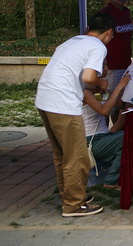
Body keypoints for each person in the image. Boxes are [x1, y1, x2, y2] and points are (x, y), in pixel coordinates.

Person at [35, 12, 114, 217]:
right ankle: (74, 205)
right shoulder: (98, 46)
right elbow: (89, 77)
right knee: (77, 156)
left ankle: (70, 195)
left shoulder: (72, 41)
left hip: (44, 99)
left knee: (61, 155)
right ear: (109, 32)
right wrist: (101, 83)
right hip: (63, 104)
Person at [82, 66, 130, 190]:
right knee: (126, 137)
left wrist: (122, 90)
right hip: (90, 141)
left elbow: (120, 105)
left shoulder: (98, 90)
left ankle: (118, 176)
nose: (107, 68)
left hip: (102, 136)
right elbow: (104, 111)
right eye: (103, 65)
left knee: (129, 134)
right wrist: (119, 86)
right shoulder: (85, 92)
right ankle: (111, 180)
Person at [98, 0, 133, 100]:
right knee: (110, 100)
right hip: (111, 67)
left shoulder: (127, 12)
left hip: (126, 64)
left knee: (121, 101)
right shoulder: (105, 14)